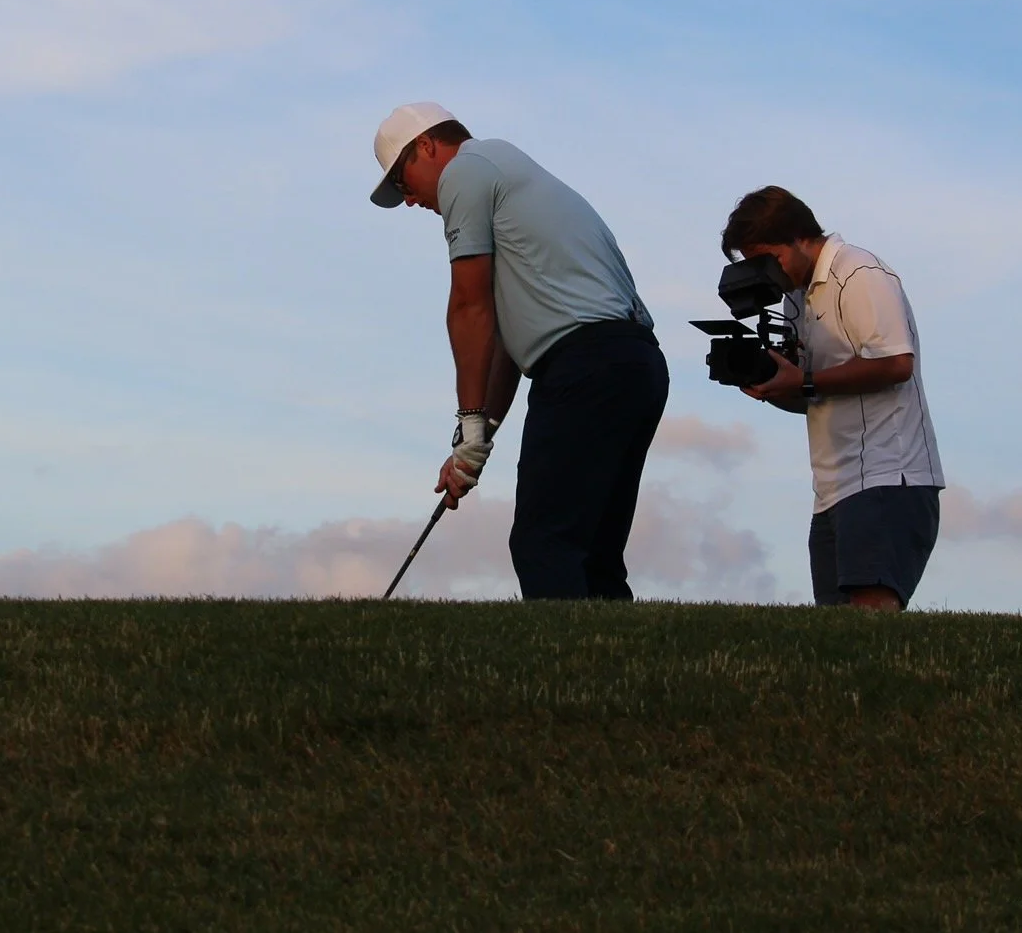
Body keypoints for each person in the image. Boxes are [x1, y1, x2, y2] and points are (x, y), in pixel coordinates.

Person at [370, 102, 667, 600]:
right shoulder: (510, 172)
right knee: (593, 552)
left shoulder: (466, 170)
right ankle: (615, 672)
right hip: (633, 363)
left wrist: (468, 421)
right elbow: (507, 342)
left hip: (586, 365)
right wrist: (478, 437)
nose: (408, 200)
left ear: (427, 146)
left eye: (403, 180)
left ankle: (566, 675)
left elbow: (469, 308)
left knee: (544, 542)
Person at [721, 186, 943, 610]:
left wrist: (804, 383)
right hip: (833, 487)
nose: (766, 271)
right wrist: (775, 387)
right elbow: (813, 391)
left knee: (868, 614)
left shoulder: (859, 273)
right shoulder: (795, 296)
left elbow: (897, 364)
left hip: (887, 474)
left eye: (768, 257)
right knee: (834, 632)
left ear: (800, 237)